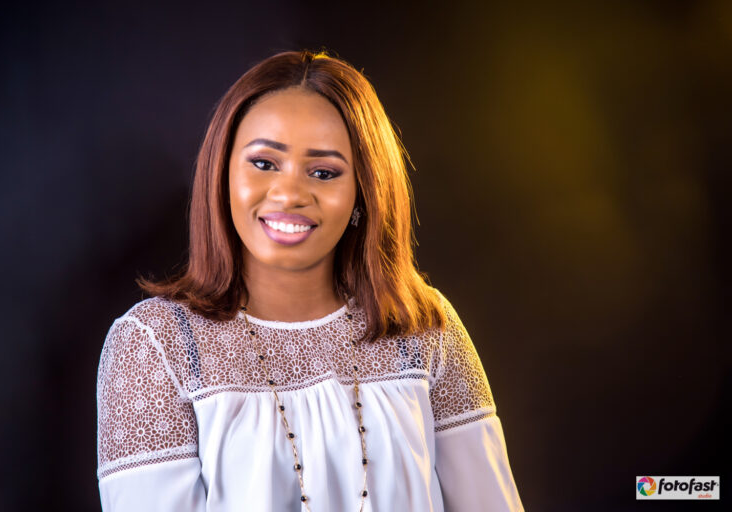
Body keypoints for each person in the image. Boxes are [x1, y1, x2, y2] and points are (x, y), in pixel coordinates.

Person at [96, 50, 524, 512]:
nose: (290, 194)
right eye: (264, 163)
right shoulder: (156, 345)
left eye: (323, 173)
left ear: (363, 192)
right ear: (222, 173)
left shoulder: (423, 327)